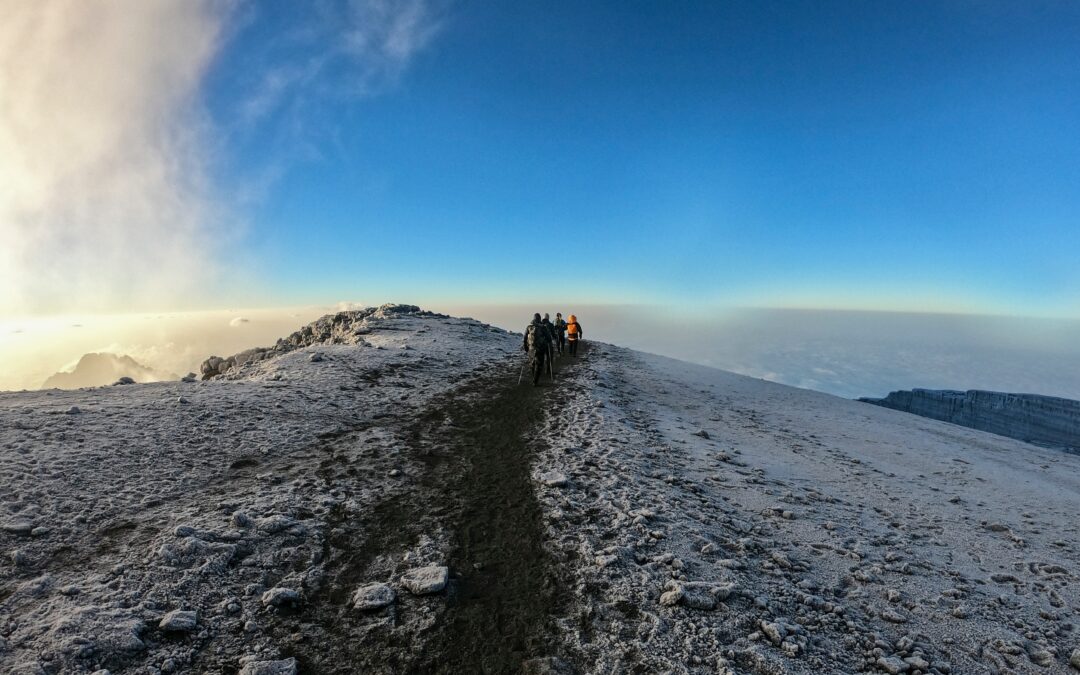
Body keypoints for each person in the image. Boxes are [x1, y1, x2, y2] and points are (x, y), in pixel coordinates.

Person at [523, 313, 552, 385]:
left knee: (532, 363)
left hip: (531, 348)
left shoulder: (529, 327)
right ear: (539, 319)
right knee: (539, 364)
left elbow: (525, 337)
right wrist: (547, 342)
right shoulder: (543, 327)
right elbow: (549, 338)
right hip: (540, 348)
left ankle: (534, 377)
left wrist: (526, 347)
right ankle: (535, 381)